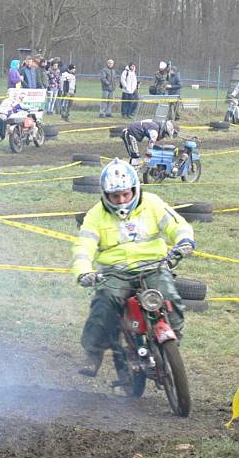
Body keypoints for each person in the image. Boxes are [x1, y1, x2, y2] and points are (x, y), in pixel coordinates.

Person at [72, 158, 195, 377]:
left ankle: (172, 345)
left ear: (135, 189)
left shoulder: (153, 203)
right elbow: (84, 246)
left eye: (125, 194)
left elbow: (177, 225)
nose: (121, 201)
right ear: (105, 195)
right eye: (115, 196)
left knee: (171, 298)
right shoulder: (95, 215)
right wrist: (84, 272)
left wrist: (184, 241)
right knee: (104, 305)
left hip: (154, 266)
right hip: (115, 272)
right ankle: (93, 353)